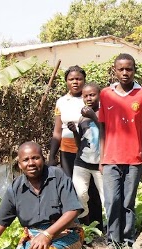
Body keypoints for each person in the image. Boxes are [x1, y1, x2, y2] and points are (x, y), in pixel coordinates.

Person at [98, 53, 142, 249]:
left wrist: (141, 146)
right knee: (112, 200)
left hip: (133, 158)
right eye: (121, 69)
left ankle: (129, 240)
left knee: (128, 202)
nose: (125, 72)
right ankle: (113, 242)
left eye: (128, 69)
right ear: (114, 70)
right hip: (110, 158)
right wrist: (102, 156)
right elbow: (103, 127)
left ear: (134, 70)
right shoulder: (105, 94)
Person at [48, 65, 102, 228]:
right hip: (67, 152)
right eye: (71, 79)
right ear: (66, 82)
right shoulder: (62, 102)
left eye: (79, 79)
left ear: (84, 80)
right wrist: (51, 156)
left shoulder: (90, 98)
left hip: (91, 151)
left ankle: (97, 225)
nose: (75, 82)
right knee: (74, 189)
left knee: (93, 190)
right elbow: (57, 131)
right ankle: (79, 227)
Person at [67, 82, 104, 222]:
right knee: (80, 194)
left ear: (99, 96)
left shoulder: (105, 113)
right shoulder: (82, 117)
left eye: (92, 95)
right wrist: (75, 132)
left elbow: (109, 133)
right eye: (85, 96)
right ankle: (84, 226)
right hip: (82, 162)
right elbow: (80, 144)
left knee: (106, 197)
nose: (89, 98)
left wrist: (93, 116)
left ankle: (110, 230)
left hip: (101, 163)